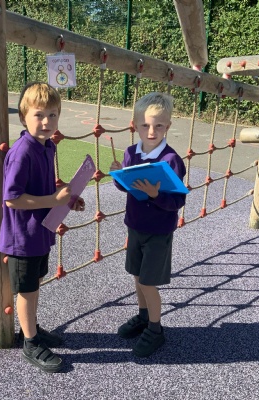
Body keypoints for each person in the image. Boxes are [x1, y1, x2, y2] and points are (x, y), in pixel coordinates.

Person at [0, 82, 85, 373]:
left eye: (52, 115)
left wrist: (68, 197)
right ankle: (30, 343)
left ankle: (31, 328)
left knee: (34, 285)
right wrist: (52, 200)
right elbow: (12, 199)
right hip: (22, 237)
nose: (46, 122)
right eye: (39, 115)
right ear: (23, 117)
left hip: (40, 231)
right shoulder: (22, 152)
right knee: (27, 291)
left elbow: (47, 188)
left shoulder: (47, 146)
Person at [109, 92, 186, 357]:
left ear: (168, 126)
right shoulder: (131, 153)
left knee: (148, 282)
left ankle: (155, 329)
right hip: (135, 225)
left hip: (158, 231)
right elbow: (127, 186)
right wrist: (117, 175)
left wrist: (155, 195)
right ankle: (143, 316)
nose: (151, 131)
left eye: (158, 125)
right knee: (137, 275)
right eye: (145, 125)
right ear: (135, 125)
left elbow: (177, 200)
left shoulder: (171, 160)